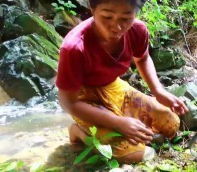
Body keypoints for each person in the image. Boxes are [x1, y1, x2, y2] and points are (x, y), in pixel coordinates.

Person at [56, 0, 189, 164]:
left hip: (114, 87)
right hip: (84, 98)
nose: (116, 27)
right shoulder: (75, 47)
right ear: (93, 9)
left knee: (171, 123)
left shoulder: (137, 30)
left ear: (135, 14)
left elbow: (143, 58)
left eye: (126, 18)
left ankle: (115, 124)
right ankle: (79, 132)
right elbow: (68, 102)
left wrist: (158, 91)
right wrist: (118, 123)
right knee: (132, 155)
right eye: (107, 16)